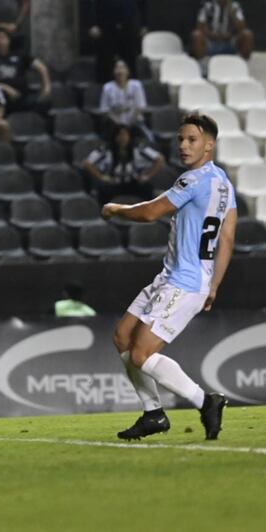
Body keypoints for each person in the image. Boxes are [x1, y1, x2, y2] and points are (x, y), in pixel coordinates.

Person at [101, 113, 237, 441]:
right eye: (180, 139)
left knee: (140, 354)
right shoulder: (224, 185)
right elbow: (228, 238)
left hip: (184, 282)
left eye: (191, 140)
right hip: (174, 277)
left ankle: (205, 401)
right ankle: (153, 414)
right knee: (122, 337)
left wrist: (116, 209)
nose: (183, 145)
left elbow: (149, 213)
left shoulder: (193, 181)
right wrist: (214, 285)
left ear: (209, 145)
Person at [83, 125, 164, 205]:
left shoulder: (138, 147)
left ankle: (147, 214)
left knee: (148, 189)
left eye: (125, 135)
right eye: (119, 135)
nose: (122, 138)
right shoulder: (106, 149)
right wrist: (102, 177)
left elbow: (160, 159)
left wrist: (147, 176)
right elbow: (87, 163)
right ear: (115, 137)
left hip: (134, 181)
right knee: (102, 191)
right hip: (113, 182)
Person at [0, 29, 51, 114]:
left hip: (22, 95)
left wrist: (47, 87)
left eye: (2, 38)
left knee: (45, 102)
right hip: (1, 98)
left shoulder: (20, 55)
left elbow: (42, 67)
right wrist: (6, 88)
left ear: (8, 40)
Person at [88, 0, 148, 83]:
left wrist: (144, 24)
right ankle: (104, 88)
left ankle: (131, 89)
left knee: (130, 59)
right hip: (105, 24)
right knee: (105, 59)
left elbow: (142, 4)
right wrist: (93, 24)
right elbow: (93, 4)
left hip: (129, 23)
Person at [99, 59, 152, 142]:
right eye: (117, 68)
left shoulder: (136, 85)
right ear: (113, 72)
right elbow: (105, 111)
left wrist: (128, 124)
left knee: (150, 138)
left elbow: (140, 108)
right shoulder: (107, 88)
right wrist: (119, 125)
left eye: (122, 67)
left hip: (134, 122)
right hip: (114, 124)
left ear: (127, 71)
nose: (120, 71)